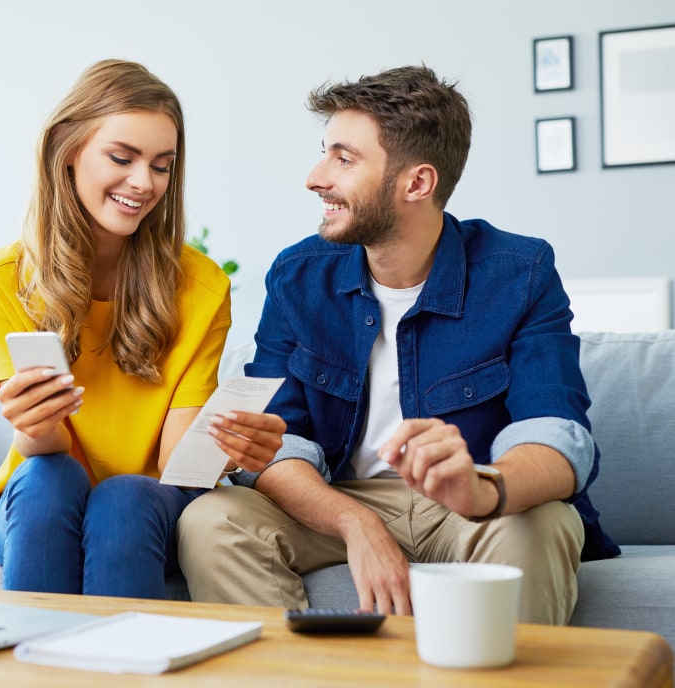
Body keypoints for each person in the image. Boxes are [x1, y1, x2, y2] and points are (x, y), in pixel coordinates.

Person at [178, 65, 618, 624]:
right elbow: (280, 442)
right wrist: (355, 523)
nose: (315, 177)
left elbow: (558, 435)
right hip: (341, 496)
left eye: (344, 158)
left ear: (417, 183)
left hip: (469, 502)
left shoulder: (521, 272)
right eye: (325, 153)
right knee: (212, 520)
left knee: (549, 521)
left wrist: (485, 489)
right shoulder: (297, 276)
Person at [0, 59, 284, 599]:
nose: (144, 182)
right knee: (52, 481)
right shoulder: (2, 281)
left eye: (162, 165)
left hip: (145, 501)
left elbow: (175, 464)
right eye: (122, 157)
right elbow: (43, 450)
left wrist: (231, 448)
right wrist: (31, 421)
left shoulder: (201, 286)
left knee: (123, 498)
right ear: (67, 150)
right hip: (42, 487)